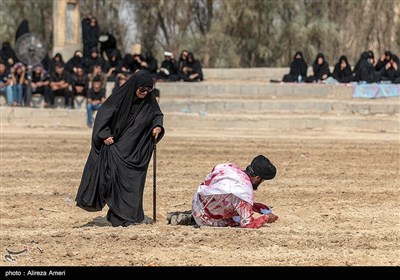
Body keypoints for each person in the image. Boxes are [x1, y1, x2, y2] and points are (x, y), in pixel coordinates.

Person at [75, 70, 165, 227]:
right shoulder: (120, 97)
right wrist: (104, 134)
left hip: (137, 151)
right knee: (116, 182)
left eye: (148, 90)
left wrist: (158, 126)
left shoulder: (149, 100)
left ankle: (132, 216)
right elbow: (103, 114)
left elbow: (157, 115)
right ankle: (118, 217)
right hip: (118, 149)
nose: (145, 93)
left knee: (134, 184)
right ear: (135, 86)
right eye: (142, 89)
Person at [191, 155, 278, 228]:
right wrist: (266, 217)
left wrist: (254, 206)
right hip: (204, 219)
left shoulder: (229, 167)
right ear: (257, 178)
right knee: (237, 221)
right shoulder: (244, 192)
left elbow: (228, 196)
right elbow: (248, 225)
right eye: (262, 181)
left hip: (197, 202)